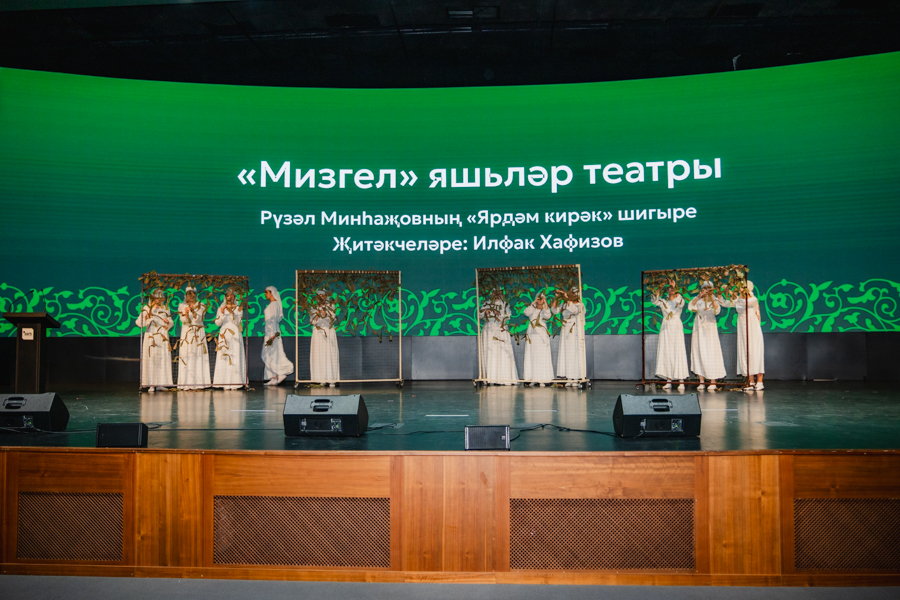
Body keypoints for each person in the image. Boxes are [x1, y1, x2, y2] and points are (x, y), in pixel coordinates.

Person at [720, 281, 765, 390]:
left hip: (752, 327)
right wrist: (719, 295)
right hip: (742, 328)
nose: (739, 288)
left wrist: (731, 293)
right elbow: (725, 303)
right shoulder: (738, 299)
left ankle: (760, 382)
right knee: (746, 352)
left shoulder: (753, 300)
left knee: (755, 352)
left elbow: (744, 303)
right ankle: (751, 382)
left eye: (741, 287)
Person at [650, 280, 690, 390]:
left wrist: (675, 288)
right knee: (666, 352)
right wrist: (659, 288)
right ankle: (668, 380)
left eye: (673, 289)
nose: (672, 290)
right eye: (670, 289)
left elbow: (681, 303)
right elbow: (654, 300)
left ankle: (681, 381)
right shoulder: (664, 301)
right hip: (666, 328)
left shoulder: (679, 300)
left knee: (678, 352)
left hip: (676, 327)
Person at [687, 281, 726, 391]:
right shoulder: (698, 300)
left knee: (711, 353)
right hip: (699, 329)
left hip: (710, 330)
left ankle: (713, 381)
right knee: (699, 352)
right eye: (704, 289)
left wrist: (712, 298)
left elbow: (717, 311)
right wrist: (699, 297)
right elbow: (690, 307)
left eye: (708, 289)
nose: (706, 291)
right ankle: (702, 381)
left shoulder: (714, 299)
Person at [478, 290, 518, 385]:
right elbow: (479, 315)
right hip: (489, 330)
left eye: (499, 293)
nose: (496, 295)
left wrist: (499, 314)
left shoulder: (504, 304)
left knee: (502, 351)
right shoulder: (487, 303)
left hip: (501, 329)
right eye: (494, 293)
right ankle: (491, 378)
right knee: (490, 352)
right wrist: (485, 312)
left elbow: (508, 316)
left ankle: (504, 377)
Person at [136, 289, 173, 392]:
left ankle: (161, 383)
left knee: (162, 358)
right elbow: (138, 322)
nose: (158, 300)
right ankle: (151, 384)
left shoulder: (165, 309)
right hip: (151, 335)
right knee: (151, 359)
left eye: (160, 298)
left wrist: (167, 322)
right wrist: (147, 317)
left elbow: (171, 322)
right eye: (156, 298)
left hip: (162, 336)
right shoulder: (147, 308)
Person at [176, 287, 211, 390]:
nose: (191, 296)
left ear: (196, 295)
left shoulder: (201, 305)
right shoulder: (182, 305)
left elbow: (199, 319)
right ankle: (186, 383)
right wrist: (186, 314)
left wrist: (193, 311)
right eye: (189, 294)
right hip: (187, 332)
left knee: (198, 354)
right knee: (187, 354)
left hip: (198, 331)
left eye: (193, 294)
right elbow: (183, 320)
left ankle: (199, 383)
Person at [212, 288, 247, 389]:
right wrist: (222, 314)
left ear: (234, 297)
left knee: (235, 356)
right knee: (225, 357)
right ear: (225, 297)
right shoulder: (221, 308)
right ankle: (223, 382)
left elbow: (237, 322)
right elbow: (217, 323)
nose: (230, 297)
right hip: (224, 334)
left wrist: (232, 313)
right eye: (228, 295)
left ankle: (236, 382)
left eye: (232, 295)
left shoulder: (238, 308)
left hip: (235, 333)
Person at [552, 287, 586, 386]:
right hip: (566, 329)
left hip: (575, 330)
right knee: (566, 352)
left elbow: (574, 310)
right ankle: (568, 377)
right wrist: (556, 298)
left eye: (573, 294)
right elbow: (555, 311)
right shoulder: (564, 304)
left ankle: (576, 377)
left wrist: (567, 299)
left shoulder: (580, 305)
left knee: (574, 352)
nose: (572, 295)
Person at [262, 286, 294, 386]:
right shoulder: (273, 304)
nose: (265, 294)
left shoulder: (274, 304)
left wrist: (273, 335)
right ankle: (274, 377)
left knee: (273, 354)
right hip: (269, 332)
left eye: (266, 292)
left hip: (272, 333)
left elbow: (273, 320)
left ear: (271, 293)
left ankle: (281, 373)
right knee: (270, 355)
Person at [522, 292, 554, 386]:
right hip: (532, 336)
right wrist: (534, 301)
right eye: (539, 298)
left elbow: (548, 315)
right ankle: (532, 378)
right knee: (532, 356)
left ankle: (543, 379)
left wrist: (545, 302)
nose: (540, 300)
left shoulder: (544, 310)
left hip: (541, 337)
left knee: (541, 357)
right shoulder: (532, 309)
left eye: (541, 299)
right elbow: (526, 312)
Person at [309, 290, 340, 386]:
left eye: (323, 295)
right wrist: (316, 316)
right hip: (318, 333)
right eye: (319, 295)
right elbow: (312, 321)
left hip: (328, 332)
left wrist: (325, 315)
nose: (321, 297)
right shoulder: (314, 307)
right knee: (319, 355)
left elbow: (333, 319)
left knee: (329, 355)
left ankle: (331, 379)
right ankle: (321, 379)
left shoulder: (331, 306)